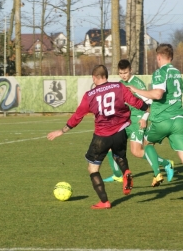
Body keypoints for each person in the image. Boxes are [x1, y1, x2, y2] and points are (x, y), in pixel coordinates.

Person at [47, 65, 150, 209]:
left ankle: (104, 201)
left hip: (102, 136)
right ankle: (126, 171)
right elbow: (135, 102)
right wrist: (148, 109)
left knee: (93, 169)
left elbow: (78, 116)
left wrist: (62, 130)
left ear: (94, 78)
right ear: (106, 76)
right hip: (120, 131)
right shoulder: (119, 86)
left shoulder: (90, 95)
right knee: (119, 155)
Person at [104, 59, 174, 185]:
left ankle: (166, 163)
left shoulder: (137, 84)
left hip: (137, 120)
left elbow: (149, 103)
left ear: (130, 70)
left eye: (125, 72)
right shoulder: (120, 83)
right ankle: (117, 175)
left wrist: (144, 118)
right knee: (110, 145)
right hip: (125, 121)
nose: (123, 75)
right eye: (121, 73)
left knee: (136, 151)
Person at [128, 43, 183, 187]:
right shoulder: (177, 73)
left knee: (147, 143)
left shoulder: (160, 72)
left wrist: (137, 90)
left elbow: (158, 94)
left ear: (158, 57)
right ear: (171, 57)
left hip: (162, 119)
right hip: (178, 119)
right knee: (182, 152)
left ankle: (157, 174)